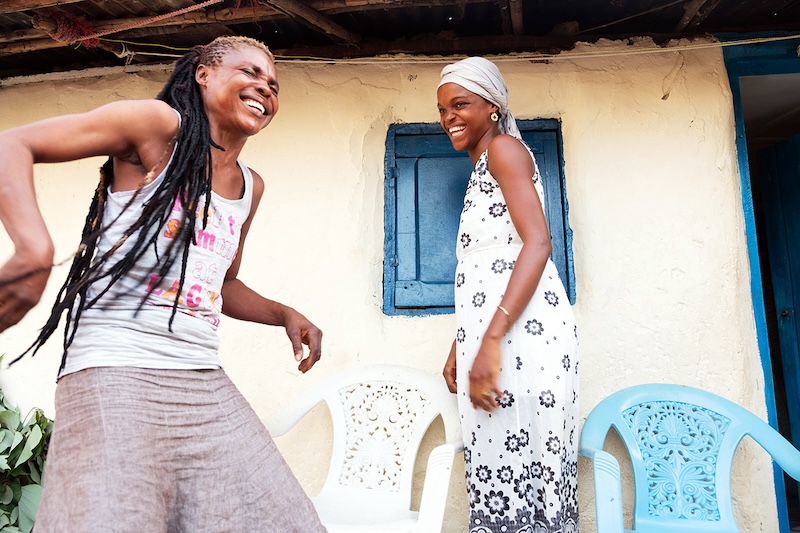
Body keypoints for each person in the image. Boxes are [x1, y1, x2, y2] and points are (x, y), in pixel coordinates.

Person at [0, 36, 327, 532]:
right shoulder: (157, 128)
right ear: (203, 73)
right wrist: (32, 248)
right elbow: (12, 143)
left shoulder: (249, 186)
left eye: (272, 83)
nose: (264, 87)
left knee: (280, 519)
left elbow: (222, 281)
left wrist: (283, 312)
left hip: (200, 378)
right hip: (116, 369)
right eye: (250, 72)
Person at [438, 57, 579, 533]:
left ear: (492, 107)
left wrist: (490, 341)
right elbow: (487, 270)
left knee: (528, 456)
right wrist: (464, 344)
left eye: (461, 104)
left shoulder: (503, 150)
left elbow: (538, 242)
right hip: (498, 334)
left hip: (525, 335)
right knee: (499, 455)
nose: (449, 118)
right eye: (442, 109)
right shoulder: (483, 167)